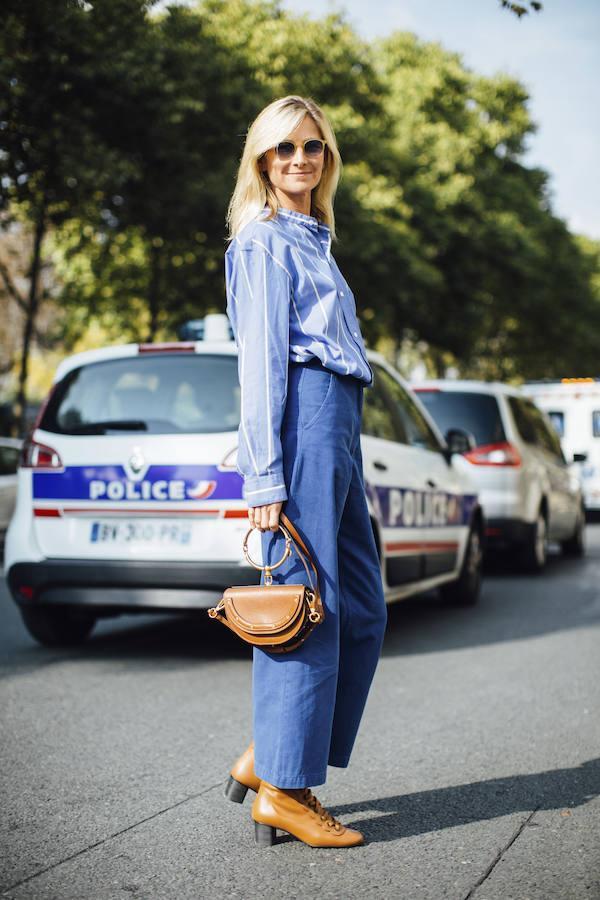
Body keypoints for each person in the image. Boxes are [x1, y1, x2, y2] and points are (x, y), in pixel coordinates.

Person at [223, 95, 387, 849]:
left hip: (340, 417)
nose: (300, 159)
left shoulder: (313, 238)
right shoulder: (262, 242)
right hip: (307, 418)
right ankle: (287, 791)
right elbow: (260, 367)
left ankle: (273, 751)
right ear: (263, 159)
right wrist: (264, 481)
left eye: (313, 147)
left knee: (363, 606)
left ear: (327, 158)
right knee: (306, 606)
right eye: (284, 147)